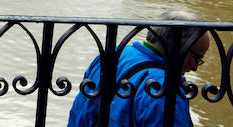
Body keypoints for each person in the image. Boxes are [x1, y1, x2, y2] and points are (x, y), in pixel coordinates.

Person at [67, 10, 211, 127]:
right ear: (179, 45)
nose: (194, 67)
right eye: (197, 58)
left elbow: (80, 110)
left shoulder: (112, 55)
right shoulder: (164, 88)